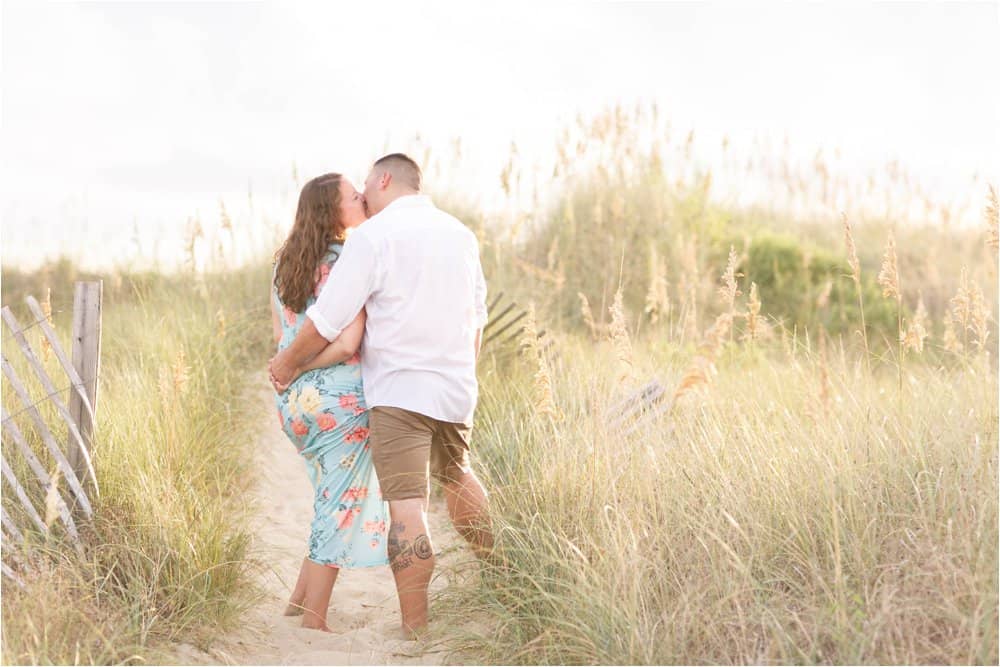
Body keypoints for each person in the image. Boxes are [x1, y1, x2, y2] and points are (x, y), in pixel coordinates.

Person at [269, 153, 494, 638]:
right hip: (456, 387)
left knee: (407, 505)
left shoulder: (373, 237)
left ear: (384, 179)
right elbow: (478, 317)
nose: (364, 194)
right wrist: (461, 371)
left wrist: (286, 363)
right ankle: (501, 578)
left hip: (399, 391)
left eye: (366, 184)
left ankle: (415, 630)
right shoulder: (461, 234)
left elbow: (328, 321)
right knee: (458, 475)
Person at [270, 172, 388, 632]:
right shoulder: (346, 259)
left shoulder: (283, 264)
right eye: (353, 196)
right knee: (340, 504)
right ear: (331, 211)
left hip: (296, 403)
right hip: (338, 399)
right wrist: (303, 366)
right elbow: (346, 344)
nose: (362, 198)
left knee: (327, 497)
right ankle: (314, 620)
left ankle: (298, 602)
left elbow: (282, 338)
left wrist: (293, 370)